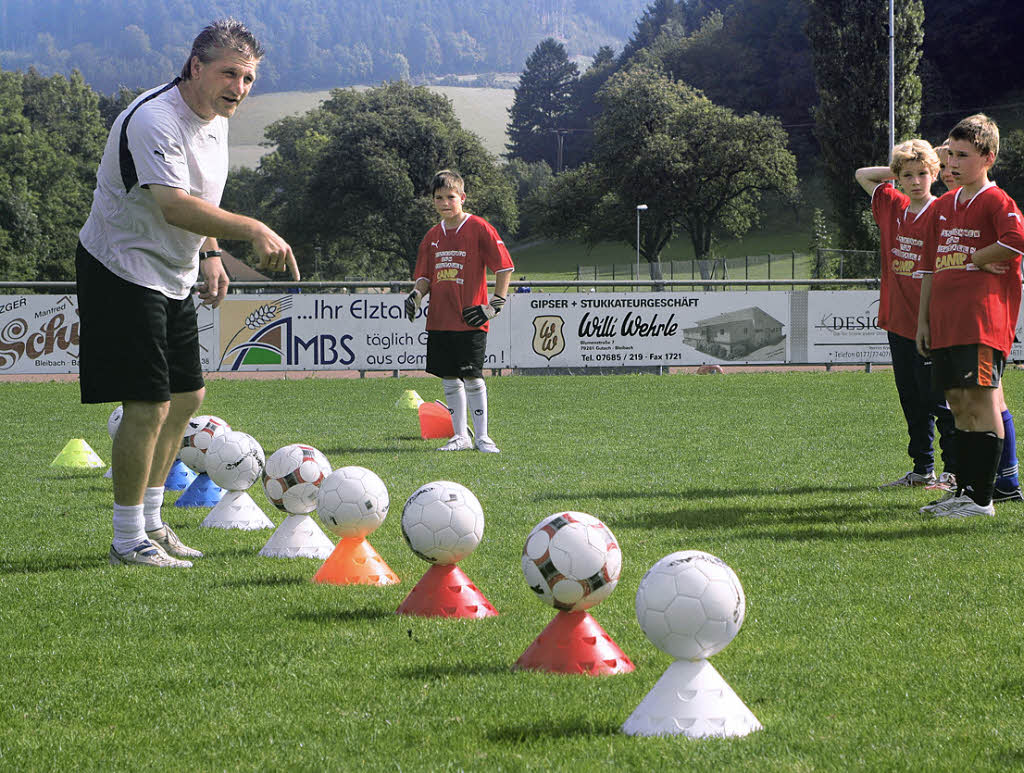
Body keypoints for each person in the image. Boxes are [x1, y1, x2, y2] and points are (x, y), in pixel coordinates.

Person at [76, 19, 300, 567]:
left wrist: (209, 254)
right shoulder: (154, 119)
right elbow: (173, 203)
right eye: (229, 73)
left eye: (248, 79)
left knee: (187, 398)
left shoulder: (216, 118)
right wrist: (250, 229)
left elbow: (199, 200)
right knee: (148, 402)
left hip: (174, 268)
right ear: (195, 67)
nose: (239, 89)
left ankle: (153, 522)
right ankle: (127, 537)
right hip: (121, 266)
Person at [916, 114, 1024, 517]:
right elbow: (928, 267)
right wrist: (924, 321)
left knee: (980, 403)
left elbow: (1016, 240)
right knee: (958, 404)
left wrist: (979, 257)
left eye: (963, 155)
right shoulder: (945, 204)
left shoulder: (997, 201)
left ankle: (982, 499)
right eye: (950, 155)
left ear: (988, 158)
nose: (953, 163)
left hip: (981, 321)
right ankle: (964, 490)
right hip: (945, 322)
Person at [856, 140, 957, 490]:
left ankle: (953, 470)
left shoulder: (944, 211)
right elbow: (862, 175)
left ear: (935, 175)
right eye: (908, 175)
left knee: (938, 400)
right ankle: (922, 469)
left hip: (931, 325)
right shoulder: (891, 205)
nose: (916, 181)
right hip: (897, 322)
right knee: (911, 399)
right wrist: (901, 166)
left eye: (923, 173)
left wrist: (936, 158)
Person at [405, 170, 514, 453]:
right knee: (450, 378)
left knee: (473, 376)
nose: (444, 202)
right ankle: (460, 437)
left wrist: (495, 305)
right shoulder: (432, 236)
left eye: (450, 197)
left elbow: (504, 267)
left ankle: (483, 438)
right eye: (438, 198)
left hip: (470, 318)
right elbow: (425, 277)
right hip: (440, 319)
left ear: (462, 198)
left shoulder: (478, 227)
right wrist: (417, 294)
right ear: (433, 201)